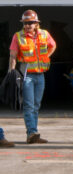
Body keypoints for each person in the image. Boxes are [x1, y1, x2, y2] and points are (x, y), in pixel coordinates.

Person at [8, 10, 56, 144]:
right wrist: (11, 73)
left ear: (36, 23)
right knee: (29, 105)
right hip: (27, 76)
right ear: (23, 24)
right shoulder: (18, 36)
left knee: (36, 105)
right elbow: (13, 56)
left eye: (31, 23)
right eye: (26, 23)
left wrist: (46, 57)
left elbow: (53, 46)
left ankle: (33, 133)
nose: (28, 25)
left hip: (40, 75)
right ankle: (32, 133)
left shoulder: (44, 34)